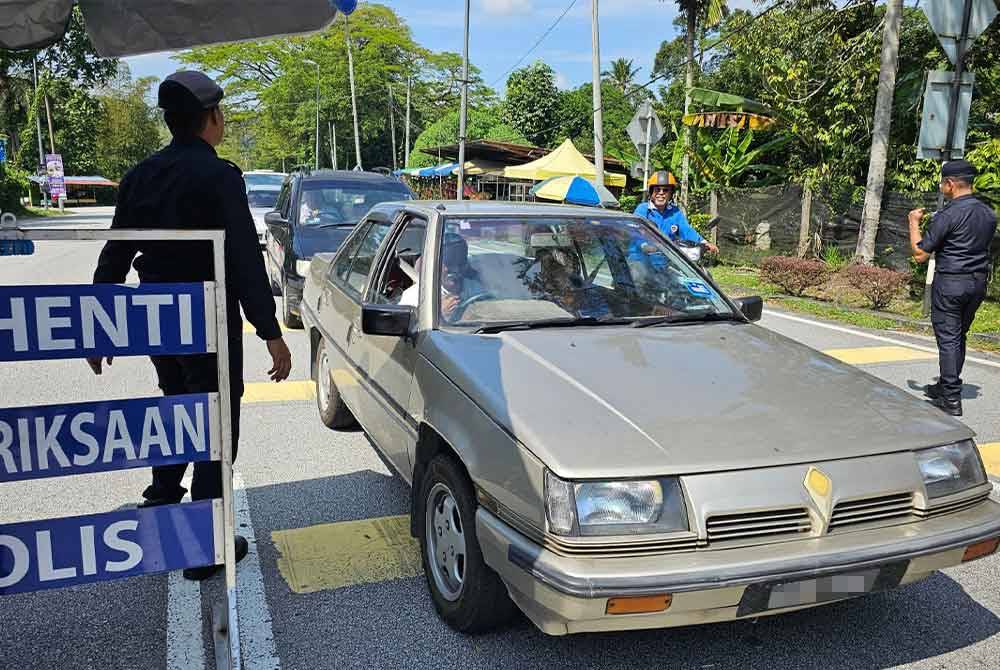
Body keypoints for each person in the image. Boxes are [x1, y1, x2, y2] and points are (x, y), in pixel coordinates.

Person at [89, 71, 293, 580]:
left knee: (176, 406)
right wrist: (271, 332)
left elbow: (116, 252)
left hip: (158, 317)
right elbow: (245, 259)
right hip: (206, 317)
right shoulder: (221, 177)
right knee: (215, 422)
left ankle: (161, 501)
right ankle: (206, 544)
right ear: (212, 117)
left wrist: (100, 324)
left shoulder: (140, 176)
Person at [909, 159, 997, 417]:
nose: (940, 186)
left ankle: (950, 399)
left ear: (949, 184)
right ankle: (944, 386)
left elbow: (920, 254)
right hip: (978, 283)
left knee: (948, 339)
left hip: (951, 282)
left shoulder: (949, 214)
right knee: (959, 335)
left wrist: (914, 223)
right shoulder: (988, 213)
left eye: (941, 182)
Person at [632, 171, 719, 262]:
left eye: (665, 190)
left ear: (671, 193)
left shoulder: (675, 212)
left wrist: (705, 243)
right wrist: (644, 245)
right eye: (657, 189)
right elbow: (635, 231)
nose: (661, 193)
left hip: (665, 261)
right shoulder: (643, 209)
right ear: (651, 192)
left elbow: (687, 230)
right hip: (640, 259)